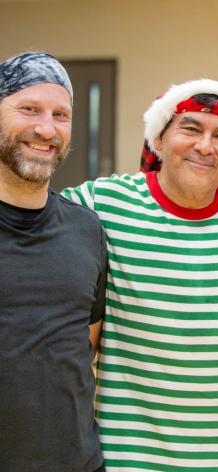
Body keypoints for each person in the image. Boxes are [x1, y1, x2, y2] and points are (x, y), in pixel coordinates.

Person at [62, 79, 218, 471]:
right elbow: (26, 215)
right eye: (190, 128)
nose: (205, 145)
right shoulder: (104, 201)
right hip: (127, 456)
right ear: (159, 139)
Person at [0, 52, 107, 471]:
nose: (46, 128)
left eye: (60, 114)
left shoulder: (87, 231)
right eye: (29, 109)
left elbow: (85, 344)